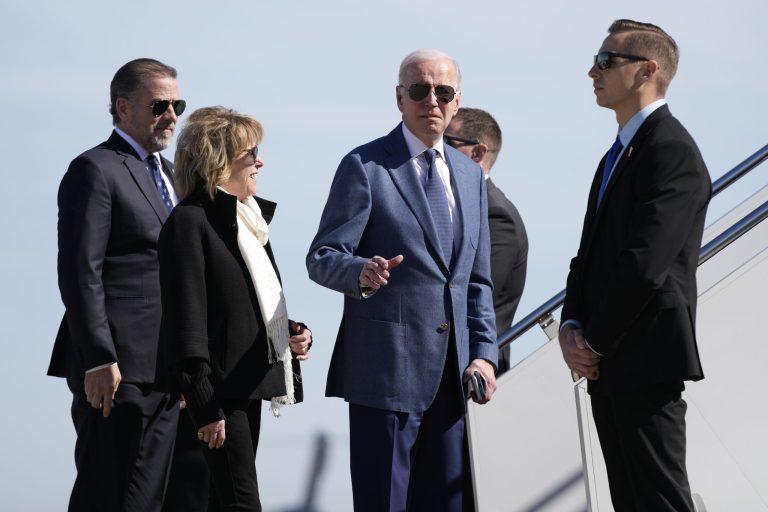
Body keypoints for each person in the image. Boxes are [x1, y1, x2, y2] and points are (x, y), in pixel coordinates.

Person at [306, 49, 498, 511]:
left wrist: (485, 355)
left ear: (456, 102)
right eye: (419, 90)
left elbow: (477, 280)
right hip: (385, 375)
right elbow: (322, 257)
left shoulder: (471, 176)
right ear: (399, 98)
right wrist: (362, 274)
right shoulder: (365, 166)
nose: (431, 100)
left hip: (452, 380)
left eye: (443, 92)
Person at [558, 19, 711, 511]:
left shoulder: (672, 150)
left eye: (605, 62)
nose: (592, 71)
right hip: (610, 363)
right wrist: (571, 326)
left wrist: (593, 343)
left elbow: (646, 264)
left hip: (645, 359)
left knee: (660, 501)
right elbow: (588, 256)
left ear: (647, 70)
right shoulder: (615, 157)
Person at [156, 106, 312, 511]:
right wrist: (206, 407)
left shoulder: (245, 219)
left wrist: (289, 333)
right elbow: (185, 321)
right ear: (218, 160)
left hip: (246, 388)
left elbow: (240, 305)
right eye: (251, 152)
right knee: (241, 504)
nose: (260, 161)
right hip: (216, 398)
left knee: (219, 504)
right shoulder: (189, 221)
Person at [49, 58, 185, 512]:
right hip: (115, 369)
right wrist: (99, 357)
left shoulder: (171, 177)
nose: (171, 116)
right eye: (159, 105)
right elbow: (78, 271)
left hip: (165, 368)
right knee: (106, 495)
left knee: (147, 500)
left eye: (177, 104)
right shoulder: (95, 168)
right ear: (123, 107)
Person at [445, 107, 528, 372]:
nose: (436, 151)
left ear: (478, 153)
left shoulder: (496, 215)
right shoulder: (461, 206)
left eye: (447, 143)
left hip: (473, 371)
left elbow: (477, 296)